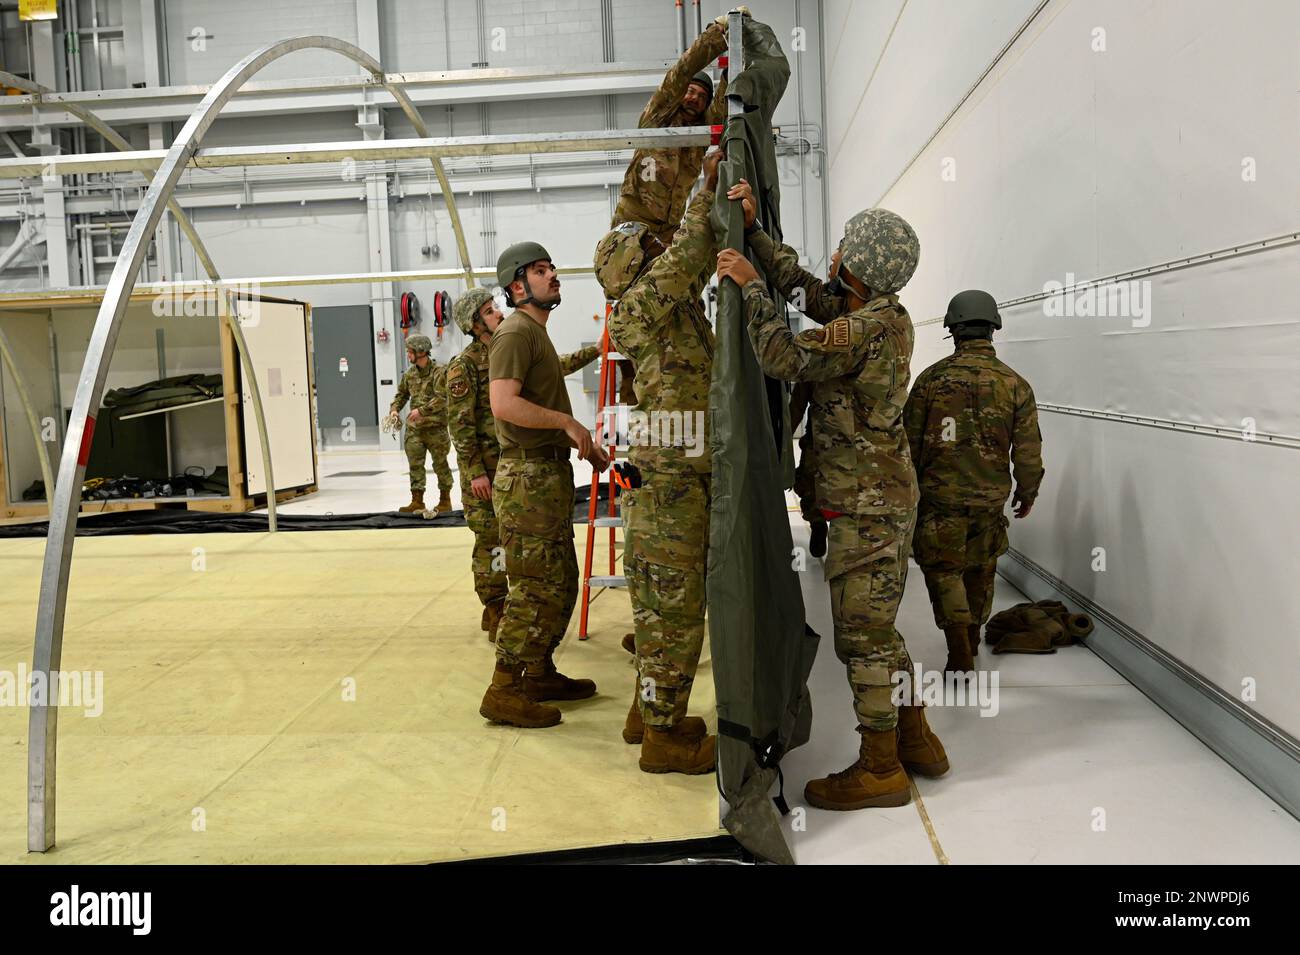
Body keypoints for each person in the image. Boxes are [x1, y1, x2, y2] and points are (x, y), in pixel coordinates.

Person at [717, 206, 949, 811]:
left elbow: (784, 357)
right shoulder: (884, 317)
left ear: (857, 265)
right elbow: (814, 293)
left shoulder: (861, 331)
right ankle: (914, 737)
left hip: (865, 507)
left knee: (863, 637)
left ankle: (880, 769)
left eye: (844, 246)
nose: (836, 253)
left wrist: (749, 287)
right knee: (880, 629)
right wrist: (762, 241)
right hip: (885, 498)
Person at [595, 149, 724, 775]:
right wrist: (708, 181)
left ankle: (649, 713)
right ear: (635, 265)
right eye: (650, 247)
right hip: (672, 478)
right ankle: (665, 740)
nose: (660, 249)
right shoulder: (643, 304)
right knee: (673, 606)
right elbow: (694, 246)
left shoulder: (666, 306)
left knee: (658, 602)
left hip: (673, 471)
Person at [478, 242, 609, 728]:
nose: (553, 275)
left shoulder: (536, 333)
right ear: (517, 286)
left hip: (546, 475)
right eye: (540, 269)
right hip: (527, 479)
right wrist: (570, 425)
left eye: (552, 267)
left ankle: (537, 670)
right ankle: (504, 688)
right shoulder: (514, 332)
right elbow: (504, 405)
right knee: (535, 587)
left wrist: (579, 441)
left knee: (558, 581)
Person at [903, 289, 1044, 675]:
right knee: (981, 568)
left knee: (944, 570)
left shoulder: (930, 381)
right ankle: (973, 635)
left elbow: (909, 445)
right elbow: (1028, 451)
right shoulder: (1015, 384)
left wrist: (908, 495)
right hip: (989, 500)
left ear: (953, 330)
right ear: (993, 328)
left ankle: (958, 649)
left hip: (940, 498)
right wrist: (1026, 491)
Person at [611, 12, 737, 248]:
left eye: (702, 97)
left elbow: (722, 109)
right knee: (626, 281)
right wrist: (717, 32)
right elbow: (681, 72)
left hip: (668, 231)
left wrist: (733, 69)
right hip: (633, 223)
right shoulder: (659, 116)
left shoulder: (697, 135)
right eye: (690, 91)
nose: (694, 99)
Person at [385, 334, 453, 514]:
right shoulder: (409, 374)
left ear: (420, 352)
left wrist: (421, 411)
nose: (408, 355)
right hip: (415, 430)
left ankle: (445, 500)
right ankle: (417, 501)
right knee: (415, 465)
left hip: (435, 428)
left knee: (440, 465)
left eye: (410, 352)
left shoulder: (440, 371)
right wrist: (394, 410)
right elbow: (401, 395)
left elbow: (443, 397)